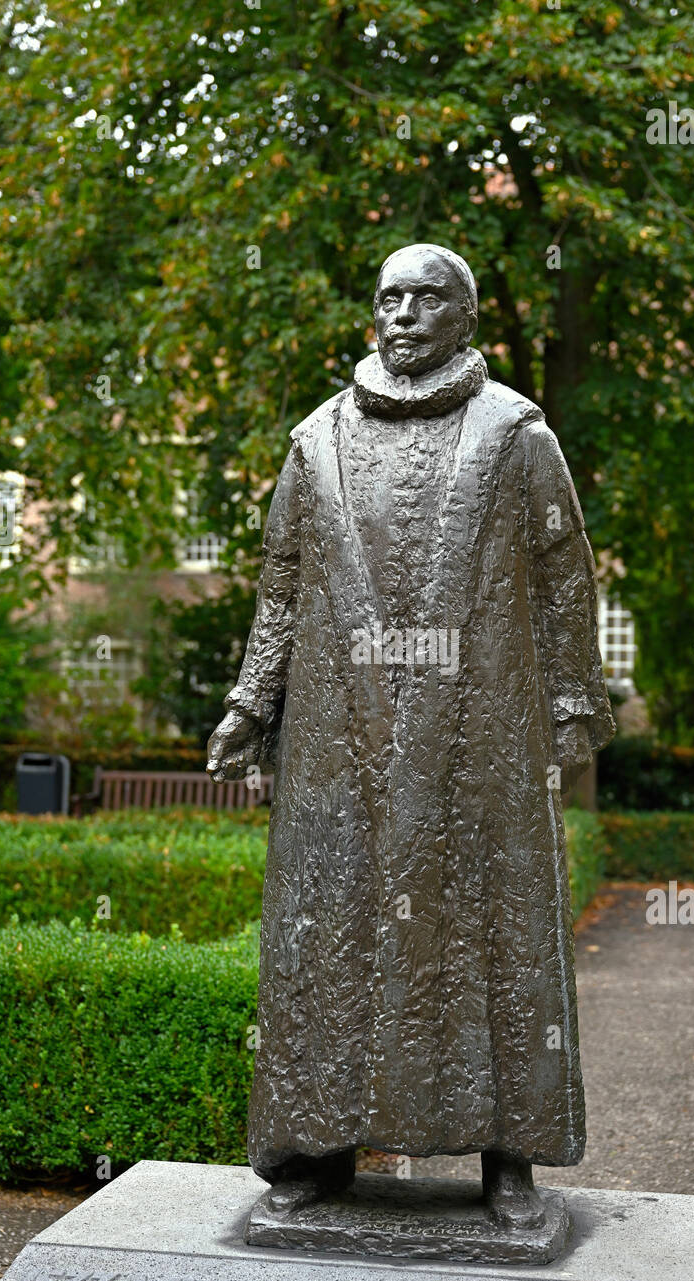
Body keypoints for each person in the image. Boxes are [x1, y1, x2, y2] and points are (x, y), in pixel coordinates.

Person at [208, 243, 615, 1228]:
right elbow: (280, 585)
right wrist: (251, 702)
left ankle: (509, 1157)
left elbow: (566, 576)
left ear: (464, 317)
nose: (400, 315)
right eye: (387, 298)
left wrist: (571, 703)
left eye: (425, 300)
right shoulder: (315, 441)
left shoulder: (516, 433)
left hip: (481, 735)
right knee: (330, 936)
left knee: (494, 929)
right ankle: (316, 1145)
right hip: (335, 737)